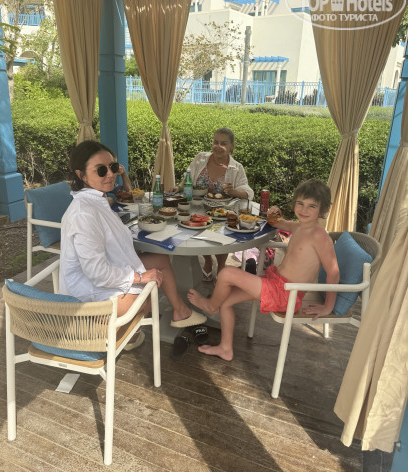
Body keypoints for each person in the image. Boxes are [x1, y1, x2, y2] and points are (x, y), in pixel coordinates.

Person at [60, 141, 206, 348]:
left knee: (160, 259)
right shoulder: (84, 213)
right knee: (148, 295)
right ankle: (114, 331)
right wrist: (139, 277)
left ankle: (180, 311)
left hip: (104, 271)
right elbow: (96, 273)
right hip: (88, 292)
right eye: (101, 170)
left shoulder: (97, 201)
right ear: (81, 175)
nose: (110, 174)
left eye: (112, 167)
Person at [187, 179, 339, 361]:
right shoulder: (298, 226)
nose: (304, 210)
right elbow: (276, 222)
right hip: (275, 284)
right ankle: (225, 348)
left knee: (226, 273)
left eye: (311, 206)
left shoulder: (320, 236)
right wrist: (273, 213)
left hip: (286, 294)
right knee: (225, 301)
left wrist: (328, 306)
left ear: (323, 210)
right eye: (300, 203)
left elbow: (333, 271)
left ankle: (210, 306)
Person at [172, 127, 254, 282]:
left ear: (231, 146)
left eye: (223, 143)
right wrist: (178, 187)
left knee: (222, 236)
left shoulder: (236, 168)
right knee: (197, 231)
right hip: (198, 207)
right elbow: (188, 178)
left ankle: (221, 265)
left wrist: (233, 191)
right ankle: (208, 260)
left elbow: (248, 193)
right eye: (216, 142)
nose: (218, 146)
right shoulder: (201, 158)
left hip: (222, 212)